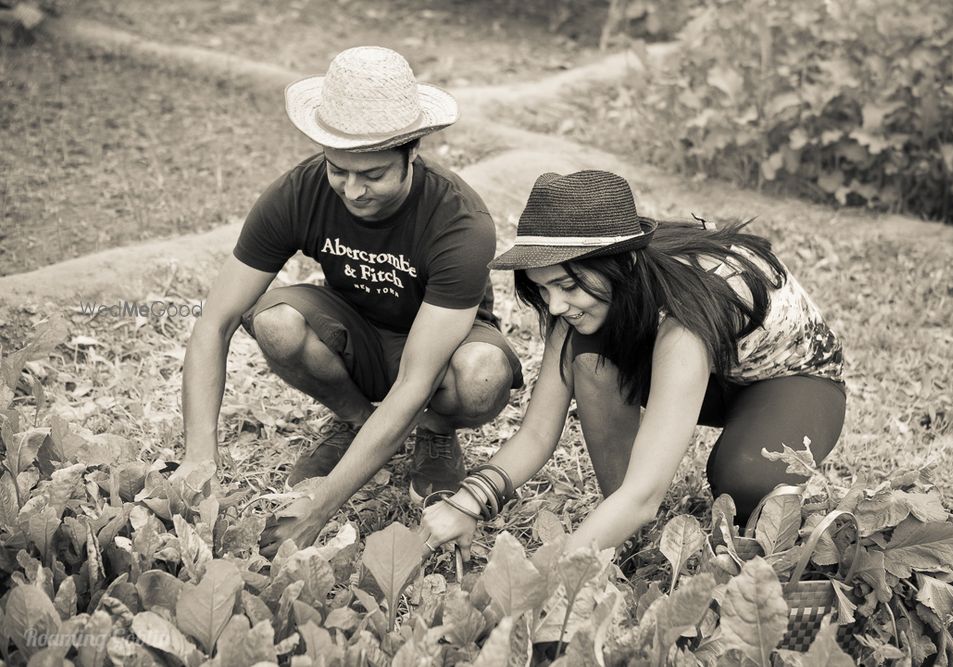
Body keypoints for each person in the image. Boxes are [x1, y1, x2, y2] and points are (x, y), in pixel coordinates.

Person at [172, 46, 523, 556]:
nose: (352, 191)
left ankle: (437, 432)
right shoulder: (299, 192)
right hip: (354, 333)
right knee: (275, 321)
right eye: (339, 170)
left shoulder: (460, 222)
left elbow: (415, 381)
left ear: (412, 154)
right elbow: (214, 322)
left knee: (483, 372)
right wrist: (198, 458)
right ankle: (355, 418)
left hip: (438, 352)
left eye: (373, 174)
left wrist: (319, 509)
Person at [419, 170, 845, 557]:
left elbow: (646, 496)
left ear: (622, 264)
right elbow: (535, 434)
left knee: (746, 483)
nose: (555, 304)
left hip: (787, 381)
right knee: (589, 361)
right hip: (703, 370)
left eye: (566, 285)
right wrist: (466, 503)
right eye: (543, 289)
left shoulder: (685, 319)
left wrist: (552, 572)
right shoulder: (584, 301)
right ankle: (620, 528)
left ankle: (627, 518)